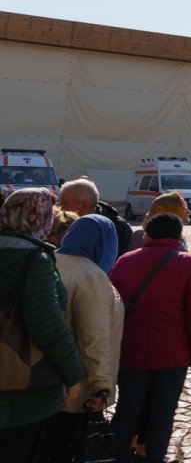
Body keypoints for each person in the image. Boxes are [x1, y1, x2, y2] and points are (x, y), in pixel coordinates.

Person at [109, 214, 191, 463]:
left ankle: (117, 457)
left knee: (127, 410)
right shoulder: (188, 263)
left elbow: (111, 307)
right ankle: (154, 457)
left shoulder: (125, 261)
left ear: (147, 235)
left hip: (131, 351)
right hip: (172, 355)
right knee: (163, 412)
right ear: (178, 237)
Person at [0, 188, 84, 460]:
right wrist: (73, 375)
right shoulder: (34, 260)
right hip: (20, 392)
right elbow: (47, 326)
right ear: (42, 219)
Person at [43, 214, 124, 462]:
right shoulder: (90, 275)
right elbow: (95, 336)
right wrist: (101, 387)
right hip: (78, 391)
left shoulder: (50, 260)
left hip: (45, 382)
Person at [58, 177, 134, 255]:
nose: (59, 206)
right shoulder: (58, 225)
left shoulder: (120, 229)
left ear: (84, 206)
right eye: (59, 202)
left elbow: (125, 263)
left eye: (64, 203)